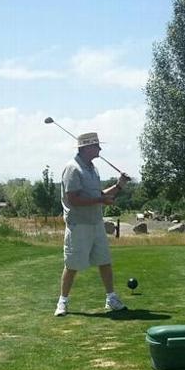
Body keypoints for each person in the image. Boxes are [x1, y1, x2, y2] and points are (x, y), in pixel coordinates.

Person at [54, 132, 130, 316]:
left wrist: (119, 185)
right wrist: (100, 201)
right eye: (97, 146)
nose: (100, 149)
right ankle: (62, 302)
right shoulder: (72, 168)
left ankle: (111, 298)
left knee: (105, 261)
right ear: (87, 148)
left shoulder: (92, 169)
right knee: (72, 264)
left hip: (96, 222)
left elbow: (99, 194)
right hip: (78, 224)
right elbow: (74, 199)